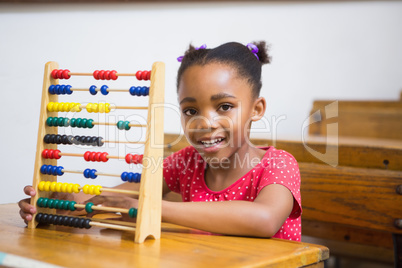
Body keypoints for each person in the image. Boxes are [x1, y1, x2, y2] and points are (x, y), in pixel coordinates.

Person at [19, 41, 302, 241]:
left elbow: (265, 219)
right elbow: (118, 197)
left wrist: (155, 208)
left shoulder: (278, 164)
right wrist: (58, 202)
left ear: (257, 109)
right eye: (190, 110)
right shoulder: (184, 164)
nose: (204, 123)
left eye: (225, 107)